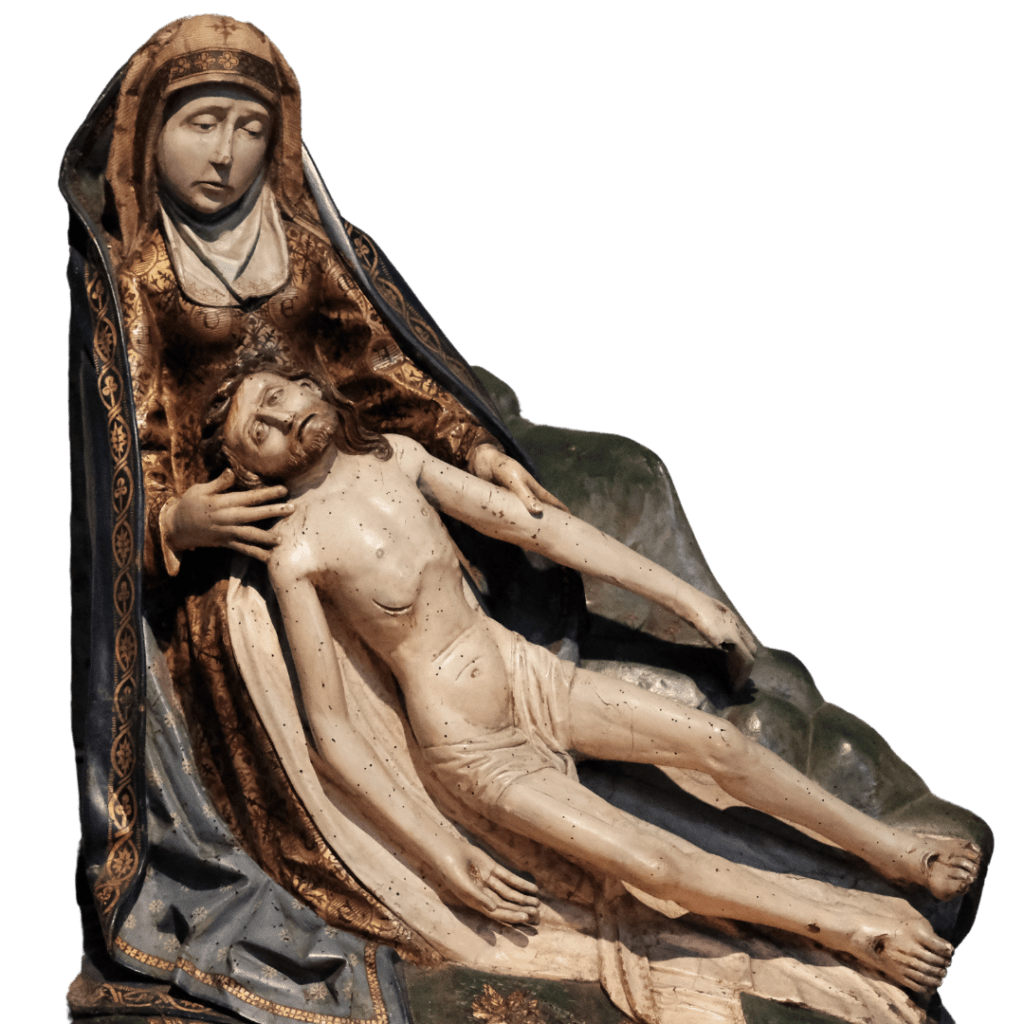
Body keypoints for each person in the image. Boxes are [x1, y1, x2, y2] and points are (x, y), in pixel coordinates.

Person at [209, 364, 980, 995]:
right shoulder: (298, 555)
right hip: (470, 744)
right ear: (249, 470)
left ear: (308, 384)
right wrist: (440, 850)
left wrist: (684, 598)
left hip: (528, 674)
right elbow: (333, 732)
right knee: (651, 865)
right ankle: (854, 930)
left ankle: (894, 852)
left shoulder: (397, 459)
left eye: (275, 395)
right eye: (258, 431)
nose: (280, 419)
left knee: (716, 743)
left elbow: (533, 525)